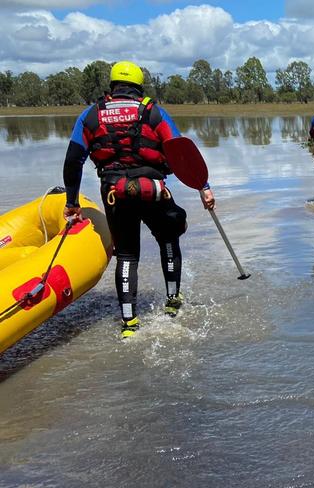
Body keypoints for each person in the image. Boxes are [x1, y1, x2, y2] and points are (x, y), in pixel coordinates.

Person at [62, 61, 215, 339]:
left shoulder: (90, 115)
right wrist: (203, 187)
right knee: (169, 239)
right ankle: (172, 302)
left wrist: (72, 203)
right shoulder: (153, 112)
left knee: (128, 254)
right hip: (152, 189)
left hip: (113, 192)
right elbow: (180, 152)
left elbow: (73, 161)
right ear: (138, 85)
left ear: (112, 85)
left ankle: (129, 323)